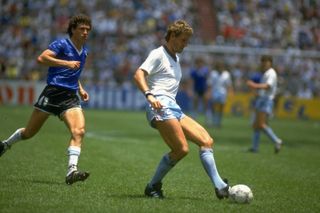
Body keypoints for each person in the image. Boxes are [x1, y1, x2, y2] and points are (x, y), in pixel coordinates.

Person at [133, 20, 229, 199]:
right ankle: (152, 186)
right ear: (172, 37)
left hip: (173, 106)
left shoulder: (176, 58)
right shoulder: (158, 53)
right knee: (182, 149)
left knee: (206, 141)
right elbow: (139, 74)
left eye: (187, 40)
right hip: (159, 105)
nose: (186, 44)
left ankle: (220, 186)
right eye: (183, 40)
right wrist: (149, 95)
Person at [0, 14, 92, 184]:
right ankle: (5, 145)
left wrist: (80, 88)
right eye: (82, 29)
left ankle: (71, 170)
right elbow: (42, 58)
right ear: (73, 29)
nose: (85, 32)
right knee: (29, 133)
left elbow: (74, 72)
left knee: (78, 131)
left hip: (70, 96)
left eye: (88, 29)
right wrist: (66, 63)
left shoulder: (84, 51)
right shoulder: (62, 44)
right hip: (52, 93)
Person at [246, 55, 282, 153]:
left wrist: (254, 85)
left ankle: (277, 140)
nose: (264, 64)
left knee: (261, 124)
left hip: (266, 100)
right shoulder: (266, 73)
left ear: (270, 63)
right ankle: (255, 147)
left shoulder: (271, 73)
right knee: (256, 125)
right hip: (262, 99)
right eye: (263, 62)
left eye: (266, 62)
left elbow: (267, 86)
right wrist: (257, 93)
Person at [207, 62, 234, 128]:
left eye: (222, 67)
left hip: (223, 93)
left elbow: (229, 84)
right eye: (219, 67)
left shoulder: (226, 74)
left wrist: (231, 92)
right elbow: (210, 84)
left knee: (221, 108)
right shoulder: (213, 73)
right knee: (213, 107)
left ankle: (218, 122)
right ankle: (213, 120)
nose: (220, 68)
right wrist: (209, 92)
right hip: (215, 91)